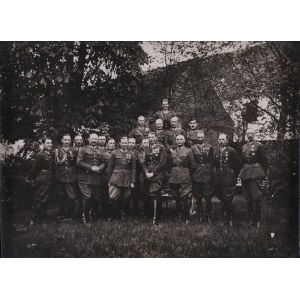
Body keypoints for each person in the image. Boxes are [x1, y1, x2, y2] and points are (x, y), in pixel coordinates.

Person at [239, 128, 268, 228]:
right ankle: (251, 219)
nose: (250, 135)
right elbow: (242, 161)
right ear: (246, 135)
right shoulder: (243, 147)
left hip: (256, 173)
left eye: (252, 133)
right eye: (248, 133)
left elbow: (264, 161)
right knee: (248, 198)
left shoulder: (259, 146)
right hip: (246, 173)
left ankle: (258, 220)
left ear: (254, 134)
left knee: (256, 198)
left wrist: (262, 173)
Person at [77, 133, 106, 223]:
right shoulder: (83, 149)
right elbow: (79, 162)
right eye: (92, 139)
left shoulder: (100, 151)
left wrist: (99, 168)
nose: (94, 140)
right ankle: (84, 217)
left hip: (96, 178)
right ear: (89, 139)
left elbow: (103, 162)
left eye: (95, 139)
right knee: (87, 197)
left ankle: (92, 216)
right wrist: (91, 168)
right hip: (85, 178)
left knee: (95, 198)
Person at [139, 132, 167, 225]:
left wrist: (153, 173)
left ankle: (156, 218)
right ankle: (149, 215)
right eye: (149, 137)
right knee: (147, 195)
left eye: (152, 137)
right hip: (148, 174)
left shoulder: (161, 148)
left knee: (155, 194)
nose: (151, 139)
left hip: (158, 174)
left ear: (156, 138)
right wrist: (146, 172)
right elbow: (144, 163)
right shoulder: (148, 149)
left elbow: (162, 163)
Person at [214, 133, 241, 226]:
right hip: (219, 177)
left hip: (229, 177)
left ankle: (230, 218)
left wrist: (233, 175)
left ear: (226, 141)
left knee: (228, 198)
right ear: (218, 141)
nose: (221, 141)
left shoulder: (231, 151)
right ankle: (224, 216)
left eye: (223, 139)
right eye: (220, 139)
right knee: (220, 195)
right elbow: (216, 164)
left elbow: (237, 164)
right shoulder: (216, 151)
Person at [168, 135, 196, 224]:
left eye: (181, 139)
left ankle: (186, 216)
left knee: (184, 197)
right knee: (176, 196)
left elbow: (193, 166)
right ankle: (179, 214)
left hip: (185, 176)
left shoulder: (188, 151)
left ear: (184, 141)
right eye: (177, 139)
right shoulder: (172, 151)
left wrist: (186, 173)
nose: (179, 141)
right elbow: (169, 164)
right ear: (175, 141)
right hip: (174, 176)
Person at [106, 137, 136, 220]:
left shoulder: (131, 154)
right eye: (123, 143)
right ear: (119, 143)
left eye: (126, 143)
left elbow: (133, 169)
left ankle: (123, 214)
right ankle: (111, 215)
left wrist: (132, 181)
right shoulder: (114, 153)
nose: (124, 144)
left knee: (126, 197)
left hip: (127, 178)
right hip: (115, 177)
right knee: (113, 197)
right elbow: (110, 167)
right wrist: (109, 180)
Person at [54, 133, 79, 221]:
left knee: (71, 196)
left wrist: (75, 174)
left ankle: (70, 215)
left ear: (71, 141)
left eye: (68, 140)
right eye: (65, 140)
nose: (67, 142)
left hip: (70, 176)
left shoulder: (74, 151)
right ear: (62, 140)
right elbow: (55, 164)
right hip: (60, 176)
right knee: (60, 196)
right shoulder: (57, 151)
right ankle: (61, 214)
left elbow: (76, 164)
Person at [190, 130, 214, 224]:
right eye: (198, 137)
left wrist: (209, 170)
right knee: (198, 196)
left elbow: (212, 161)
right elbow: (192, 162)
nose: (200, 139)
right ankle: (200, 215)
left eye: (201, 137)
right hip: (197, 174)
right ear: (196, 138)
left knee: (208, 197)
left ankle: (208, 216)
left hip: (207, 174)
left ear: (204, 138)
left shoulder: (210, 147)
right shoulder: (192, 148)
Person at [30, 137, 54, 224]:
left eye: (51, 143)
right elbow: (34, 169)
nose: (50, 144)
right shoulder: (40, 155)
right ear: (43, 144)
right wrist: (33, 179)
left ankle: (42, 218)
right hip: (42, 179)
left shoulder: (49, 154)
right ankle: (35, 219)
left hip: (48, 179)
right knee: (40, 199)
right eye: (48, 143)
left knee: (45, 199)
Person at [128, 137, 140, 216]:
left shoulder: (137, 153)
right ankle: (127, 210)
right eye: (130, 143)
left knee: (136, 194)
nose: (131, 144)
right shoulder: (125, 152)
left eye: (133, 143)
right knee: (127, 194)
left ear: (135, 144)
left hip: (136, 175)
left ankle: (135, 211)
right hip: (126, 175)